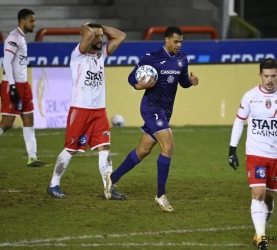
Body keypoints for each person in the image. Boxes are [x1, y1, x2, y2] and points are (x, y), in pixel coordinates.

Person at [104, 26, 199, 212]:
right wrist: (138, 85)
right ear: (166, 40)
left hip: (165, 111)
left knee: (143, 150)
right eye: (176, 41)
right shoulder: (152, 57)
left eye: (181, 42)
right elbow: (132, 77)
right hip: (151, 108)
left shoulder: (182, 59)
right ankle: (160, 195)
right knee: (168, 146)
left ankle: (112, 179)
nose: (179, 45)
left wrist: (191, 81)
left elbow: (183, 82)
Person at [47, 23, 127, 200]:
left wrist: (101, 28)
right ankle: (54, 184)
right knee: (71, 149)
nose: (100, 39)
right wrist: (88, 28)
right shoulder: (78, 55)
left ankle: (108, 188)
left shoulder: (101, 54)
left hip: (99, 112)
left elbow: (120, 36)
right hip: (80, 110)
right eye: (96, 36)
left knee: (105, 148)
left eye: (101, 36)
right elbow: (88, 34)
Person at [228, 58, 277, 250]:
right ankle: (261, 238)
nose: (269, 80)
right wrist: (232, 149)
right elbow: (238, 122)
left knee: (269, 196)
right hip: (255, 153)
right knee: (257, 193)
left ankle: (259, 231)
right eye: (266, 76)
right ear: (260, 75)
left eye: (273, 76)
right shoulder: (250, 96)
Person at [0, 9, 51, 167]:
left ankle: (32, 158)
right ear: (23, 21)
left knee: (29, 119)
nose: (34, 24)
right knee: (7, 122)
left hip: (23, 85)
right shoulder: (14, 38)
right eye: (32, 21)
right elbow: (6, 62)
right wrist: (12, 86)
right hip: (12, 84)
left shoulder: (21, 38)